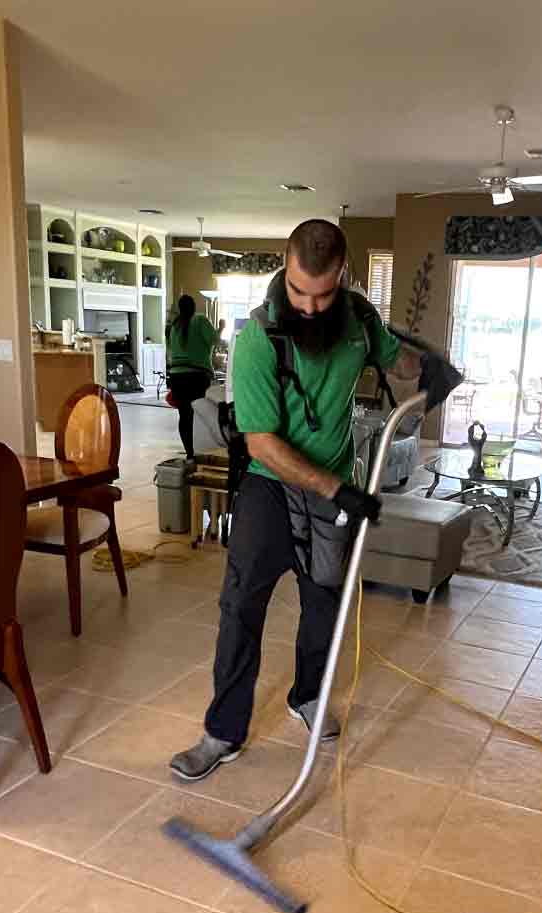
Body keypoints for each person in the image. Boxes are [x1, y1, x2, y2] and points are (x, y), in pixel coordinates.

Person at [170, 219, 420, 781]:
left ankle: (308, 696)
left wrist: (425, 367)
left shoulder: (358, 321)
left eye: (323, 294)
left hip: (331, 487)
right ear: (284, 266)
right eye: (299, 292)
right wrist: (340, 491)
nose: (308, 307)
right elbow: (262, 441)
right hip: (270, 482)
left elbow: (396, 359)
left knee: (325, 602)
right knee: (240, 607)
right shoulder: (258, 337)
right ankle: (223, 731)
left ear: (344, 278)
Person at [164, 294, 220, 456]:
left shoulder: (174, 326)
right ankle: (201, 451)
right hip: (197, 376)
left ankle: (190, 454)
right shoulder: (200, 320)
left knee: (184, 415)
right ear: (193, 307)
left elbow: (170, 351)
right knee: (199, 414)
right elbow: (215, 340)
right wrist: (221, 327)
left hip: (177, 377)